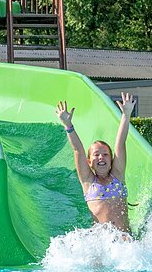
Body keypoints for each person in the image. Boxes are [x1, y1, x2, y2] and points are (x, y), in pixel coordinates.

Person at [56, 92, 136, 233]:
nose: (101, 157)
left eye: (105, 154)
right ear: (89, 162)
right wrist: (68, 125)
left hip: (125, 240)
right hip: (101, 241)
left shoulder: (117, 176)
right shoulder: (88, 181)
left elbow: (120, 143)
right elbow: (78, 150)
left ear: (111, 160)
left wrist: (126, 115)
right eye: (96, 155)